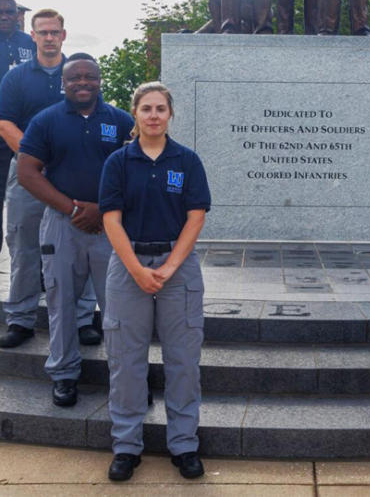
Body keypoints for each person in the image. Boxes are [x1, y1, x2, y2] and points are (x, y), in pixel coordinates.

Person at [99, 82, 211, 482]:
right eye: (146, 108)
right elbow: (110, 219)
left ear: (170, 114)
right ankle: (127, 447)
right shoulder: (118, 162)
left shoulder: (187, 161)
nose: (153, 115)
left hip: (176, 268)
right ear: (135, 113)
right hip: (128, 265)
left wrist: (167, 268)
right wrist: (136, 269)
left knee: (182, 362)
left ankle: (184, 445)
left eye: (160, 108)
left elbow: (195, 216)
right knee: (126, 363)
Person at [18, 53, 132, 408]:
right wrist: (73, 209)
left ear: (100, 80)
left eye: (89, 77)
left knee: (118, 307)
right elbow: (27, 172)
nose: (83, 83)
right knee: (60, 302)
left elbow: (137, 170)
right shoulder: (46, 121)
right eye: (75, 78)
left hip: (110, 225)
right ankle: (65, 375)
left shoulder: (121, 119)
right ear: (63, 83)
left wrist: (104, 209)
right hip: (61, 224)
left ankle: (126, 380)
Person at [0, 9, 98, 350]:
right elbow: (5, 124)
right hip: (27, 175)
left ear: (64, 35)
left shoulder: (80, 74)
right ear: (33, 36)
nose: (49, 38)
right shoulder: (15, 78)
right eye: (42, 33)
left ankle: (84, 319)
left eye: (54, 32)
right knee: (24, 246)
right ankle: (21, 320)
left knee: (79, 246)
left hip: (71, 175)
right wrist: (33, 161)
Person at [0, 0, 36, 250]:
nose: (4, 17)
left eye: (9, 12)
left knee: (27, 208)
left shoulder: (30, 43)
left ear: (18, 15)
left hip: (21, 135)